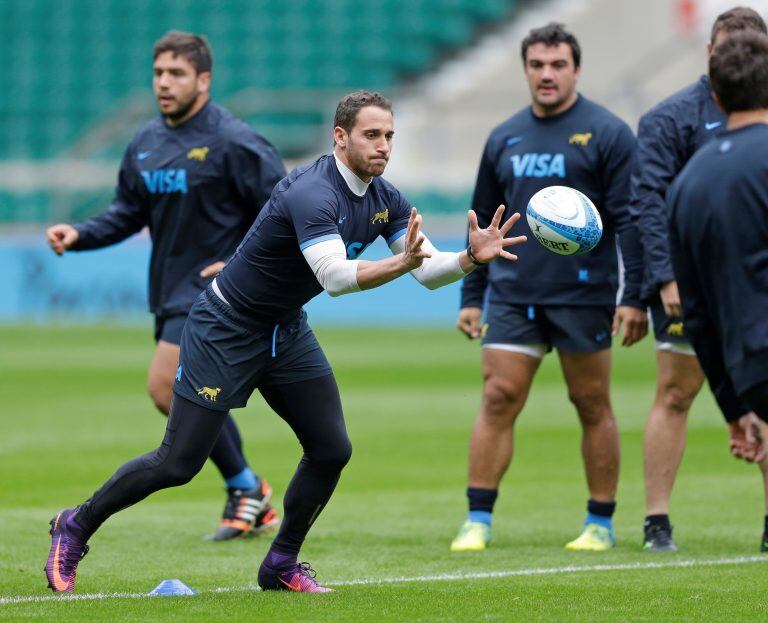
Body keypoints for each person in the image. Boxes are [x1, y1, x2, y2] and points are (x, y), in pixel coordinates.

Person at [43, 90, 527, 593]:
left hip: (284, 329)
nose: (383, 146)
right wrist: (402, 263)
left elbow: (427, 271)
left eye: (389, 136)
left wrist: (470, 257)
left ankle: (279, 563)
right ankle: (75, 523)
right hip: (225, 327)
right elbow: (336, 278)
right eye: (371, 135)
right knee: (178, 463)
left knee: (330, 448)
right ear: (340, 138)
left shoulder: (386, 198)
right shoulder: (313, 192)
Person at [44, 31, 286, 541]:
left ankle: (247, 489)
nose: (163, 83)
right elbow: (126, 213)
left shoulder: (235, 141)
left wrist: (243, 260)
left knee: (164, 385)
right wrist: (80, 233)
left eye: (176, 73)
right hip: (169, 290)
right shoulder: (146, 142)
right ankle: (247, 489)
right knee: (184, 395)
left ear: (204, 79)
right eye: (158, 73)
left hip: (217, 294)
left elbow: (284, 209)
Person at [450, 22, 647, 554]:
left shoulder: (607, 133)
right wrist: (472, 297)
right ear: (525, 69)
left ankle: (600, 522)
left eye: (558, 65)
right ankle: (477, 519)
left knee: (590, 401)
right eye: (537, 64)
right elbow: (483, 228)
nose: (547, 74)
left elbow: (630, 218)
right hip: (514, 292)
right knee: (498, 396)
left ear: (576, 70)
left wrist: (634, 296)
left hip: (584, 293)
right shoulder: (504, 137)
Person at [630, 7, 768, 553]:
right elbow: (647, 204)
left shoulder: (698, 178)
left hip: (724, 307)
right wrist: (663, 279)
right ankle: (657, 521)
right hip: (698, 289)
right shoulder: (670, 119)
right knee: (674, 392)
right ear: (709, 52)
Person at [668, 31, 768, 552]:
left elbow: (697, 313)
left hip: (752, 369)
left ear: (716, 97)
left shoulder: (688, 182)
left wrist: (734, 409)